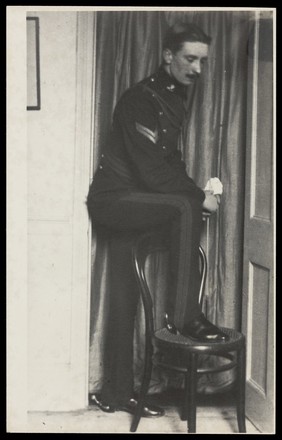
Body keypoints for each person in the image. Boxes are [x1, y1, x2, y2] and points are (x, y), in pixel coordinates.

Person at [87, 21, 229, 418]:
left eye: (203, 60)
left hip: (139, 203)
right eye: (190, 58)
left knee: (124, 296)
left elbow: (172, 163)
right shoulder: (141, 98)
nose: (198, 68)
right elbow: (151, 170)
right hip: (115, 201)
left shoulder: (174, 96)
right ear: (168, 56)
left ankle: (115, 393)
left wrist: (194, 193)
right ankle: (185, 318)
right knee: (184, 207)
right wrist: (198, 197)